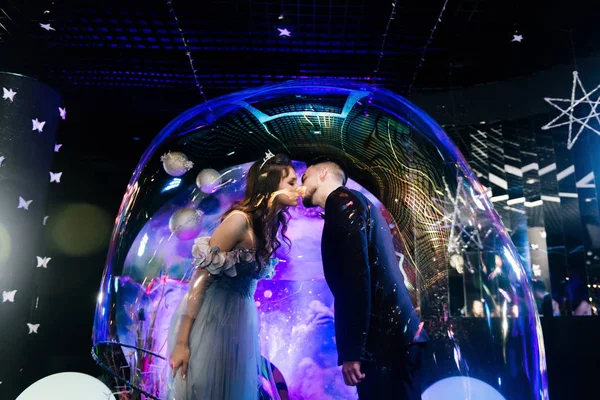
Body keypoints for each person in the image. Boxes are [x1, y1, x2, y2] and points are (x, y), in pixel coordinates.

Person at [167, 153, 300, 400]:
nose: (298, 188)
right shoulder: (239, 221)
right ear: (270, 185)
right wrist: (182, 342)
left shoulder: (268, 227)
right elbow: (200, 278)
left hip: (239, 319)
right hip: (212, 318)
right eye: (291, 182)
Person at [300, 156, 428, 400]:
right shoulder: (358, 203)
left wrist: (353, 352)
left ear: (324, 173)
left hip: (385, 342)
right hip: (395, 338)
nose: (301, 184)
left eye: (305, 177)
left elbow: (355, 278)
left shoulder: (342, 202)